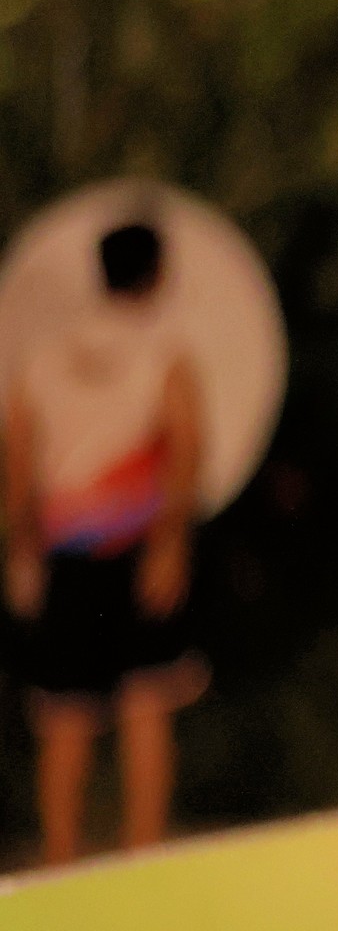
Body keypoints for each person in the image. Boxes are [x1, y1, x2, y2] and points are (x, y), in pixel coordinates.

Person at [3, 220, 206, 864]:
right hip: (140, 545)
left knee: (65, 714)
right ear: (157, 273)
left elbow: (18, 460)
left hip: (65, 549)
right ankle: (141, 860)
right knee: (145, 703)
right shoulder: (164, 352)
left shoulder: (44, 355)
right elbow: (186, 450)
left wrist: (20, 550)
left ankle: (60, 863)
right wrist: (172, 544)